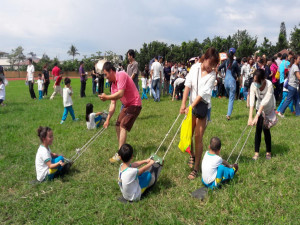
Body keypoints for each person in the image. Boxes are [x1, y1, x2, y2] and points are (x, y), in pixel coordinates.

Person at [180, 47, 219, 180]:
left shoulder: (212, 75)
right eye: (211, 64)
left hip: (202, 108)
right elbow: (187, 86)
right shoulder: (195, 67)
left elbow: (202, 94)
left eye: (214, 65)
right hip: (191, 107)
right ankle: (192, 155)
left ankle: (196, 168)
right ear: (205, 58)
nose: (212, 67)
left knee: (198, 137)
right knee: (188, 133)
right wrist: (183, 104)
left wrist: (190, 106)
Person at [99, 62, 142, 163]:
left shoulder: (121, 75)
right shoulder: (113, 86)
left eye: (106, 74)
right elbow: (112, 104)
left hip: (135, 104)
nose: (106, 77)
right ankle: (122, 150)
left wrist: (106, 97)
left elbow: (120, 94)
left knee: (123, 125)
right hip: (127, 105)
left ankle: (120, 154)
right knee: (117, 124)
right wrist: (108, 120)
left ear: (111, 71)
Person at [248, 69, 276, 160]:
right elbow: (252, 101)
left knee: (266, 129)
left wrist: (257, 116)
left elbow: (265, 101)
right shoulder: (253, 85)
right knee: (258, 129)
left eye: (257, 81)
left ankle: (268, 152)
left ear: (263, 79)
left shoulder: (269, 85)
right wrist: (250, 117)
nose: (255, 83)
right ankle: (256, 153)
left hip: (268, 108)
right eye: (254, 80)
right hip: (258, 107)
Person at [218, 48, 239, 120]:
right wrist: (239, 79)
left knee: (230, 97)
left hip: (225, 82)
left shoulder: (225, 62)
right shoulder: (235, 63)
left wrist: (221, 76)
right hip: (232, 82)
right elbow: (238, 73)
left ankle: (230, 108)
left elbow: (218, 69)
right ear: (234, 54)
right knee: (231, 98)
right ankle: (228, 114)